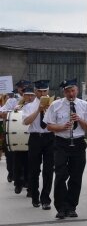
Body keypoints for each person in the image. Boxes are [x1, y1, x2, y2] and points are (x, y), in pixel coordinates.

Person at [44, 79, 87, 219]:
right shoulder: (55, 105)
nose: (71, 94)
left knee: (76, 177)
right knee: (60, 175)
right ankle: (60, 207)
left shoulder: (85, 105)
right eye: (67, 91)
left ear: (77, 90)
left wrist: (79, 120)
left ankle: (71, 206)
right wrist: (62, 127)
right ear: (63, 92)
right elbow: (49, 126)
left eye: (73, 91)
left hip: (78, 143)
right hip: (61, 143)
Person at [22, 80, 55, 209]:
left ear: (48, 91)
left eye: (45, 91)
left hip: (49, 138)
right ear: (35, 92)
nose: (42, 94)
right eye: (40, 91)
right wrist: (38, 110)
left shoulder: (54, 105)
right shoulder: (29, 105)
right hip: (35, 138)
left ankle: (45, 198)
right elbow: (25, 122)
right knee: (34, 169)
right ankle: (35, 196)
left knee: (48, 170)